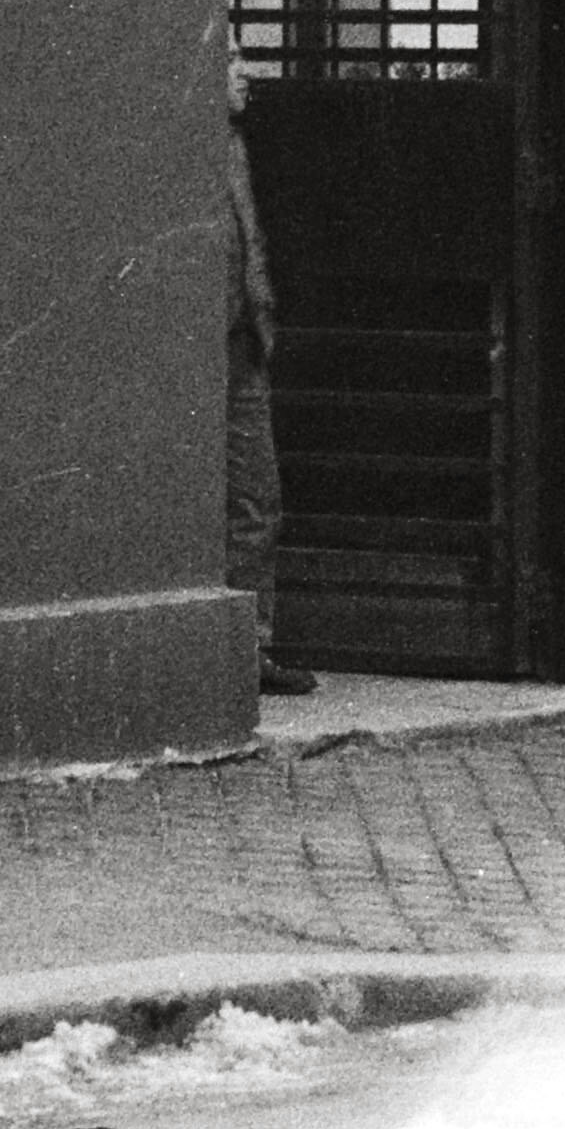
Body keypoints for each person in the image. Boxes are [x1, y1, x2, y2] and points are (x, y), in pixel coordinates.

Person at [225, 51, 306, 692]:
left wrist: (263, 320)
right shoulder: (179, 151)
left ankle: (248, 650)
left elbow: (252, 243)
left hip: (241, 344)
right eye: (230, 57)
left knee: (257, 497)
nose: (246, 70)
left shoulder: (235, 146)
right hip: (199, 349)